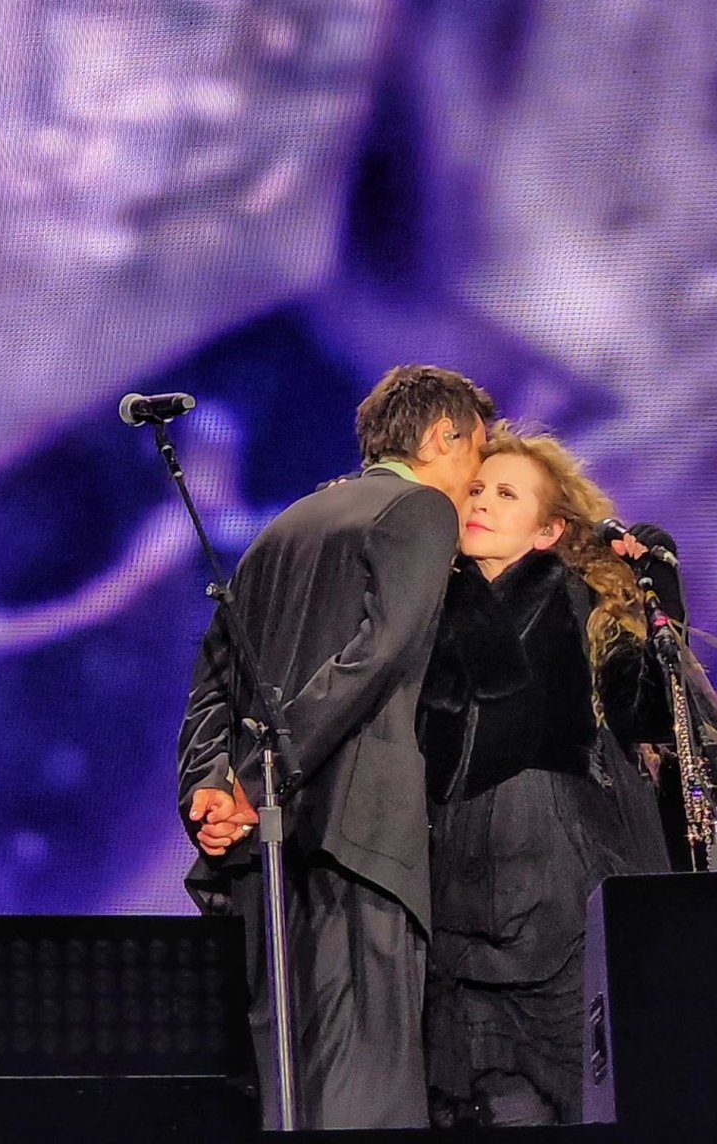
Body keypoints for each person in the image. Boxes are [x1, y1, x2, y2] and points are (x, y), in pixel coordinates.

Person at [176, 364, 493, 1131]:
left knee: (292, 1091)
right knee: (366, 1090)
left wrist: (210, 786)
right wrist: (256, 781)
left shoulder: (286, 524)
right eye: (476, 456)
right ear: (441, 437)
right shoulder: (419, 509)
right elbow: (375, 656)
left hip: (264, 855)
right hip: (357, 841)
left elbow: (216, 675)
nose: (476, 483)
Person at [416, 424, 679, 1128]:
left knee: (585, 1100)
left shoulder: (574, 605)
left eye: (507, 494)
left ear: (547, 530)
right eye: (476, 488)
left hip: (558, 906)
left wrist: (662, 597)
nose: (481, 502)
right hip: (458, 910)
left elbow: (645, 712)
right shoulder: (428, 609)